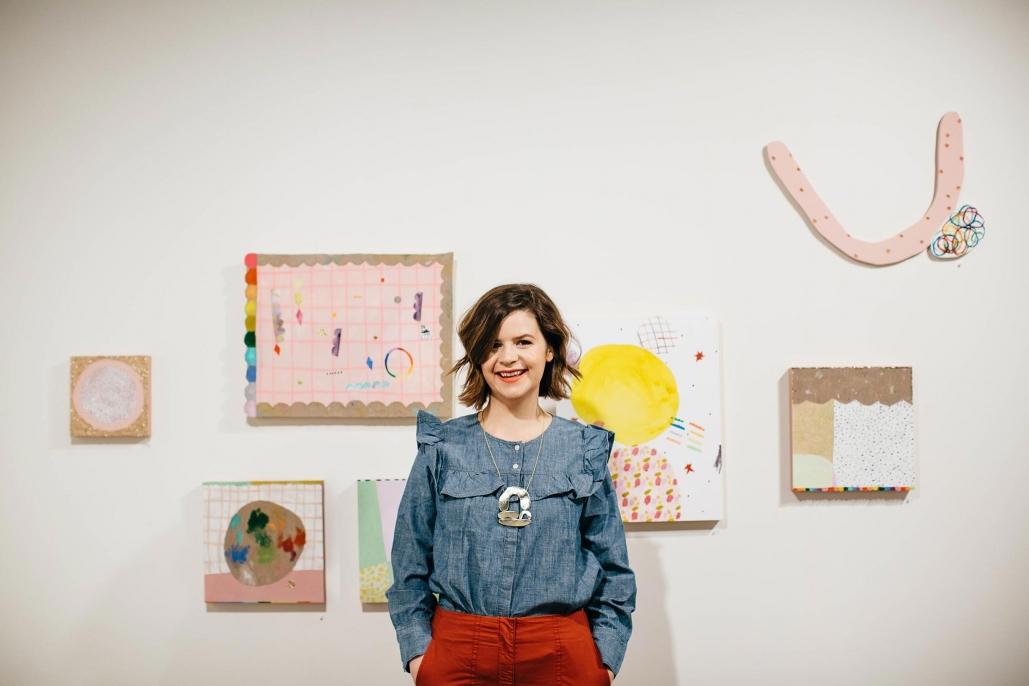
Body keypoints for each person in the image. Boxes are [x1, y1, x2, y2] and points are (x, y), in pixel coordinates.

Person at [387, 283, 636, 685]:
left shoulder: (583, 449)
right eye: (493, 344)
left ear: (549, 348)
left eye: (523, 341)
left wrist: (603, 661)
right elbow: (409, 562)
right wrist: (420, 655)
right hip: (457, 652)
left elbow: (613, 568)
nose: (507, 358)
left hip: (562, 654)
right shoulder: (442, 447)